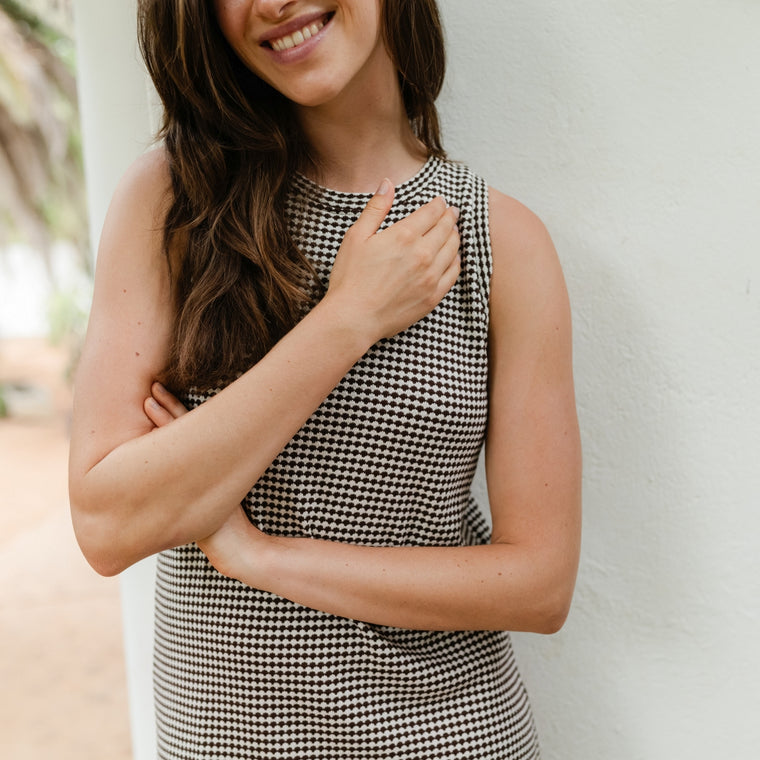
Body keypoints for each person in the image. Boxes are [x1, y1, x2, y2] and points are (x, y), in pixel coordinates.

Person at [68, 1, 582, 757]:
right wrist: (347, 321)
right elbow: (107, 527)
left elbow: (539, 584)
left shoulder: (497, 241)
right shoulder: (177, 202)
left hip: (444, 736)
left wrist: (263, 559)